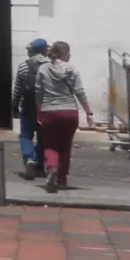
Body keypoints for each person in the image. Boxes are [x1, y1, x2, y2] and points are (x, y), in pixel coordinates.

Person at [35, 40, 94, 193]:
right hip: (69, 111)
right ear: (65, 53)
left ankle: (52, 168)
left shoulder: (42, 69)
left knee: (50, 145)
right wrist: (88, 111)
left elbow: (38, 92)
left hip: (49, 111)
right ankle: (62, 179)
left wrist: (39, 110)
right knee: (65, 146)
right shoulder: (72, 69)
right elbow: (79, 91)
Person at [10, 38, 50, 178]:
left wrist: (14, 106)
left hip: (28, 105)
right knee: (43, 137)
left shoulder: (23, 66)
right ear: (45, 50)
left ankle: (29, 158)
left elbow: (18, 89)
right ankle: (40, 165)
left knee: (26, 135)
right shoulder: (51, 66)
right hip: (46, 107)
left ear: (31, 51)